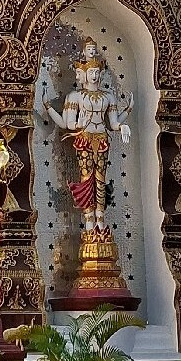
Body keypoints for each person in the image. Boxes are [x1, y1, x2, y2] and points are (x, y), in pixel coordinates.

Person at [41, 41, 131, 232]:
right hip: (84, 140)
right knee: (86, 179)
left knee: (100, 179)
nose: (95, 75)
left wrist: (125, 120)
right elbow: (67, 124)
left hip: (102, 140)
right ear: (84, 74)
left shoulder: (108, 97)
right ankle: (89, 224)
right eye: (91, 72)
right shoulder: (75, 96)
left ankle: (101, 221)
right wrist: (48, 107)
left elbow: (113, 124)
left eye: (97, 72)